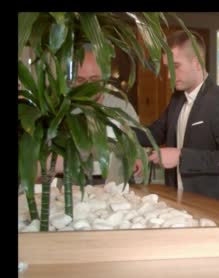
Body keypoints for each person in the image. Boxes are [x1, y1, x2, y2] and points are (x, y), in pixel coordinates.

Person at [135, 31, 219, 200]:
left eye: (176, 67)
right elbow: (156, 133)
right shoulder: (177, 99)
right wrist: (115, 131)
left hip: (209, 205)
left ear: (196, 63)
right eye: (168, 69)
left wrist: (181, 156)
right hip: (177, 200)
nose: (168, 76)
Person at [36, 46, 142, 185]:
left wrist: (137, 160)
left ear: (104, 78)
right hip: (71, 195)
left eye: (94, 79)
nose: (88, 86)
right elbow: (42, 168)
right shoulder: (61, 111)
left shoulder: (123, 109)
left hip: (114, 193)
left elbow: (139, 157)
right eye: (80, 80)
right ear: (72, 81)